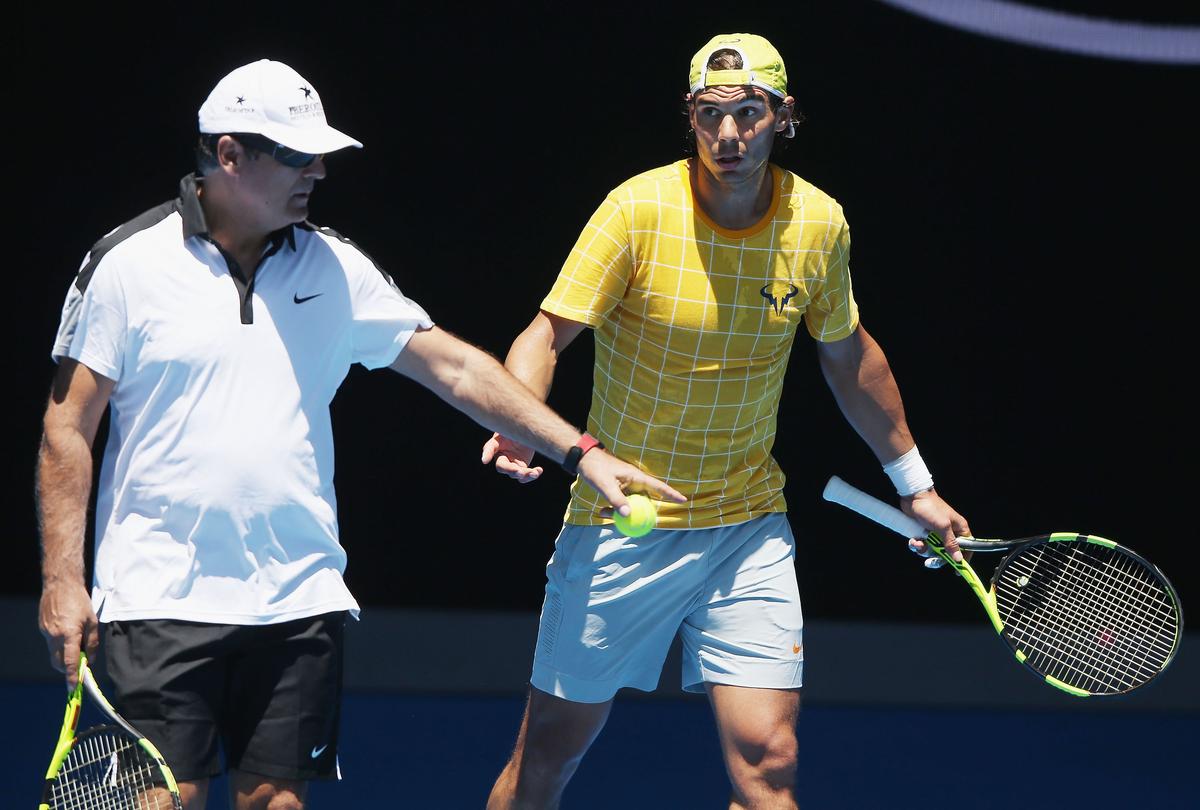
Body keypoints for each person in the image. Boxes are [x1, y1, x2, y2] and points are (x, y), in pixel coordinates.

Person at [36, 58, 684, 810]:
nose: (317, 170)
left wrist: (581, 452)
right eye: (296, 155)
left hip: (297, 602)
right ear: (229, 154)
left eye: (321, 155)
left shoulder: (335, 268)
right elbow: (67, 427)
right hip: (157, 599)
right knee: (161, 801)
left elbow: (455, 369)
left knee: (279, 805)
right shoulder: (126, 266)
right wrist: (62, 580)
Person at [481, 34, 972, 809]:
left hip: (747, 525)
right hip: (622, 522)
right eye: (711, 114)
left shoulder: (818, 223)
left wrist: (916, 485)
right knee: (547, 756)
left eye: (749, 112)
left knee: (770, 762)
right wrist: (520, 421)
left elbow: (848, 357)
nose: (729, 133)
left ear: (784, 116)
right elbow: (546, 335)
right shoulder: (636, 210)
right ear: (691, 117)